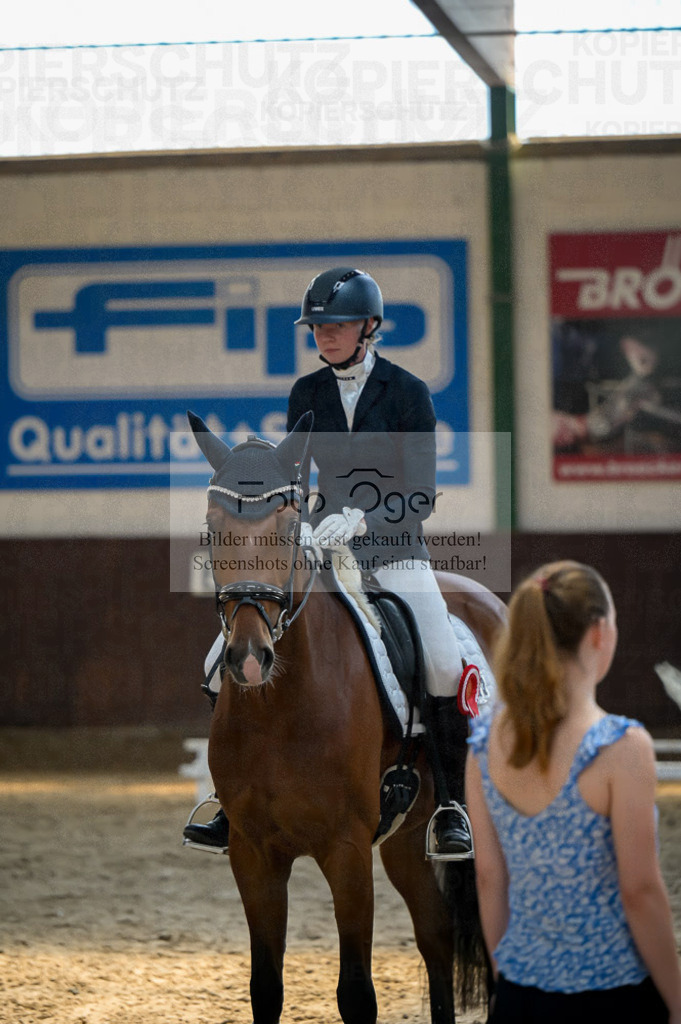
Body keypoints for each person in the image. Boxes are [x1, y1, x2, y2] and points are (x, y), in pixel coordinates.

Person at [184, 267, 482, 857]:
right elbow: (292, 480)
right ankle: (232, 801)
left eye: (337, 325)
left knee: (444, 662)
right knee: (220, 657)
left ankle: (450, 805)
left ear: (369, 327)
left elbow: (421, 493)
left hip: (395, 549)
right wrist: (300, 515)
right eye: (317, 326)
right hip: (324, 549)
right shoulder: (307, 393)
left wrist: (366, 519)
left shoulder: (408, 392)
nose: (325, 336)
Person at [466, 560, 681, 1024]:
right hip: (614, 993)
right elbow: (640, 891)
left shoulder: (482, 744)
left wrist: (511, 979)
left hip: (522, 992)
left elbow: (489, 878)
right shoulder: (622, 746)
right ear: (600, 633)